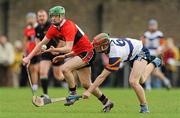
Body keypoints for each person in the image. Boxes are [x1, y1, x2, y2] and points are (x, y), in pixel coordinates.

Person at [23, 6, 113, 112]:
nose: (53, 19)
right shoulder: (53, 28)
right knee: (86, 84)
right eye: (52, 16)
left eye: (56, 16)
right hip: (78, 53)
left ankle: (72, 93)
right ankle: (107, 102)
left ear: (62, 16)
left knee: (65, 68)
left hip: (88, 52)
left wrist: (55, 50)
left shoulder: (68, 26)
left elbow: (68, 48)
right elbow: (41, 44)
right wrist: (28, 57)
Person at [82, 33, 162, 113]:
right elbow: (90, 46)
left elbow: (102, 76)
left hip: (140, 52)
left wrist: (89, 91)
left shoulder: (115, 53)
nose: (95, 48)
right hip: (131, 55)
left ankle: (144, 107)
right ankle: (155, 62)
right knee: (141, 80)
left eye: (97, 46)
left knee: (133, 81)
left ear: (104, 46)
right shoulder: (106, 43)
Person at [35, 9, 64, 98]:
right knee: (43, 72)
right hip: (46, 53)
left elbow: (62, 39)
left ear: (46, 17)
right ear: (37, 18)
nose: (41, 18)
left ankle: (68, 78)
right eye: (39, 16)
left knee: (58, 76)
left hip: (56, 52)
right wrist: (37, 49)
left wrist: (57, 50)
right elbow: (37, 40)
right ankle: (45, 94)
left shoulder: (52, 26)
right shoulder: (37, 28)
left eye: (43, 16)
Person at [141, 19, 171, 90]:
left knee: (155, 72)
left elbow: (163, 44)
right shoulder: (146, 34)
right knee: (146, 69)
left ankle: (165, 81)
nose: (152, 27)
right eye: (151, 25)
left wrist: (160, 51)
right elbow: (142, 44)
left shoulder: (159, 34)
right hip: (147, 53)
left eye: (153, 25)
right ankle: (148, 86)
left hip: (156, 53)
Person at [21, 12, 39, 90]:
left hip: (38, 51)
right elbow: (25, 41)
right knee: (32, 68)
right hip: (31, 52)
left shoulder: (39, 28)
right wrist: (24, 51)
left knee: (38, 69)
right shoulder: (27, 29)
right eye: (28, 18)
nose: (30, 20)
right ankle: (35, 85)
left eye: (31, 18)